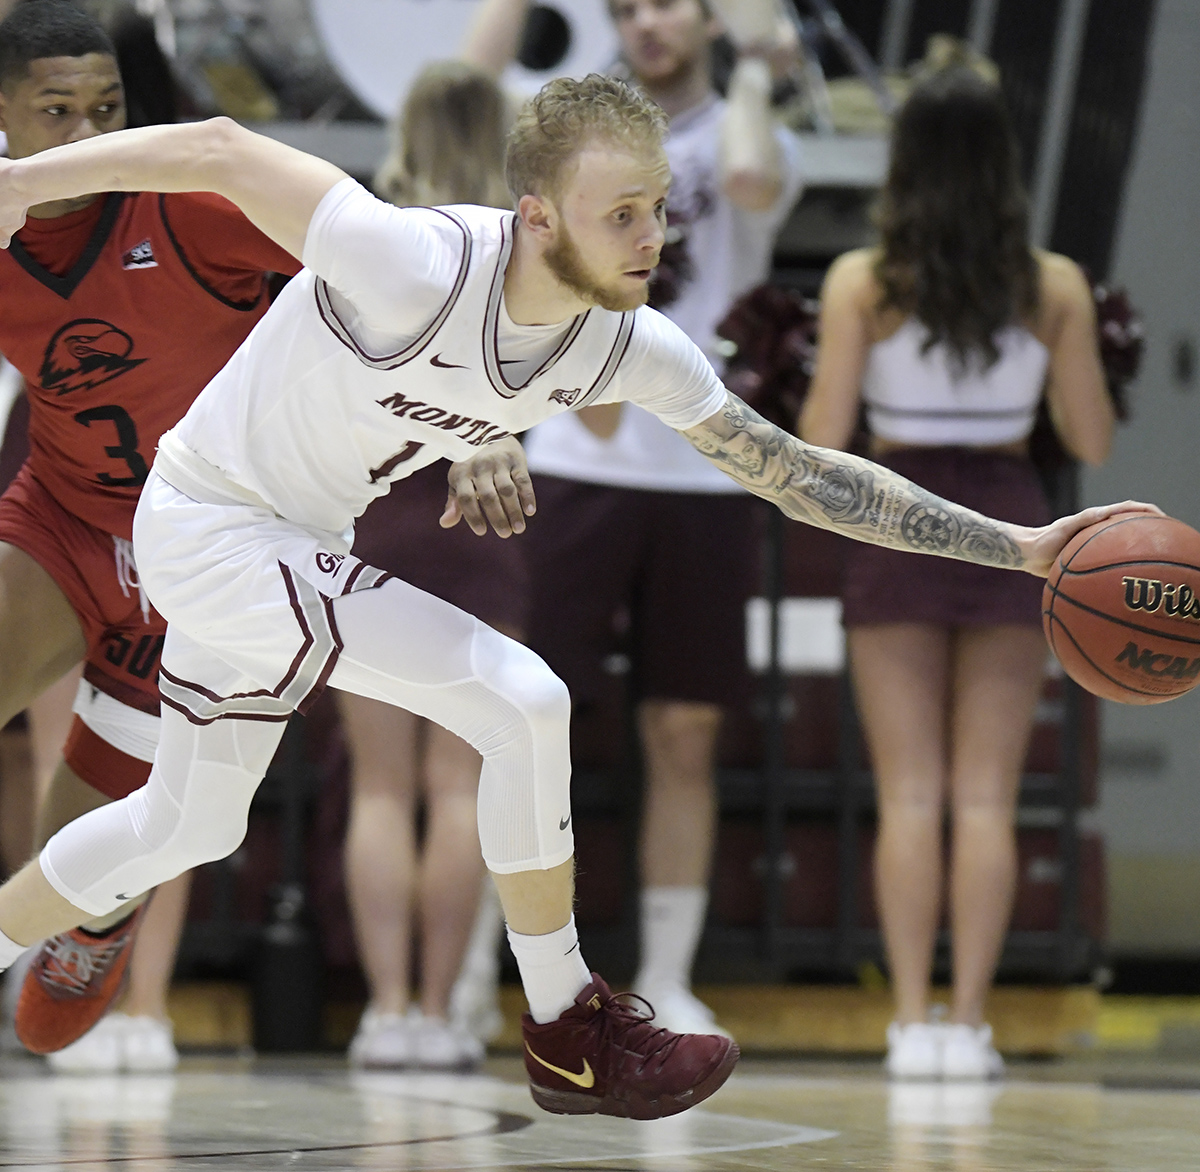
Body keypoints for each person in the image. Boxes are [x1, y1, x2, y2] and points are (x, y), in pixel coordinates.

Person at [0, 74, 1148, 1118]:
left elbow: (797, 475)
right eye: (623, 213)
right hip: (210, 520)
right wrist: (18, 182)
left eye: (657, 206)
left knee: (191, 821)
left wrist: (1027, 546)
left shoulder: (626, 346)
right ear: (538, 214)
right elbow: (213, 146)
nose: (653, 235)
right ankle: (569, 1023)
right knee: (524, 694)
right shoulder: (413, 259)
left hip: (289, 534)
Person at [463, 0, 803, 1035]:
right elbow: (468, 93)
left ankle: (667, 971)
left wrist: (758, 62)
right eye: (628, 7)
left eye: (669, 3)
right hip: (571, 458)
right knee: (520, 720)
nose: (647, 22)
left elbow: (748, 181)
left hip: (701, 474)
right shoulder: (564, 130)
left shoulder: (745, 129)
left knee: (685, 732)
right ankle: (482, 964)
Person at [799, 67, 1116, 1080]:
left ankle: (907, 1021)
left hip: (901, 515)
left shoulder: (861, 280)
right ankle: (969, 1022)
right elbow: (1092, 439)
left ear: (904, 165)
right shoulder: (1054, 284)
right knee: (986, 795)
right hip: (1014, 520)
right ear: (1004, 167)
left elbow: (819, 436)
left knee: (911, 795)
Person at [0, 0, 298, 1069]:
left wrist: (474, 437)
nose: (87, 136)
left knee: (70, 865)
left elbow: (382, 276)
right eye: (57, 112)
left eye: (107, 108)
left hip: (203, 561)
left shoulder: (196, 206)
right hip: (66, 522)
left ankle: (100, 910)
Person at [341, 60, 518, 1071]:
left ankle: (385, 1009)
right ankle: (442, 1013)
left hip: (379, 515)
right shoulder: (524, 252)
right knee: (460, 786)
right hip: (487, 521)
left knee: (377, 785)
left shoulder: (372, 241)